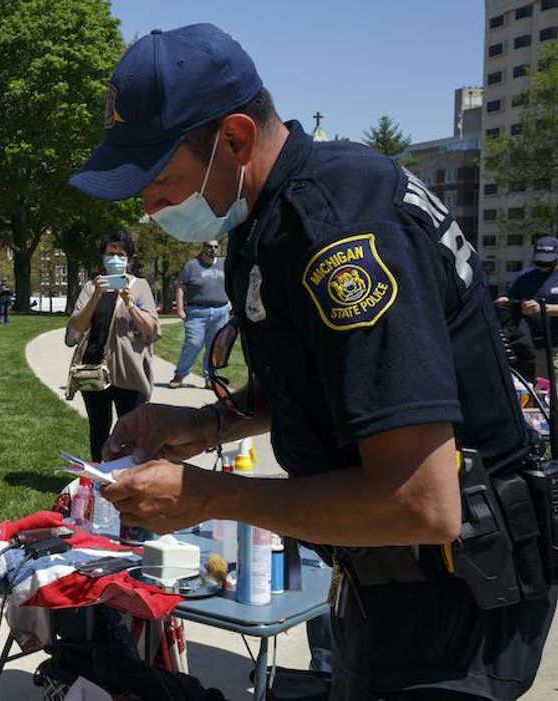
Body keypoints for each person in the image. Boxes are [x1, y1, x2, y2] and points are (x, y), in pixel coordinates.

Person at [71, 24, 555, 699]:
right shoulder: (266, 215)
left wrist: (208, 496)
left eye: (157, 180)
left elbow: (421, 502)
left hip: (453, 605)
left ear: (233, 140)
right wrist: (201, 424)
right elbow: (325, 382)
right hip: (382, 578)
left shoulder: (341, 232)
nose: (146, 208)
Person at [65, 231, 160, 461]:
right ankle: (99, 480)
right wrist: (96, 295)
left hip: (130, 372)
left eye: (121, 254)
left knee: (131, 432)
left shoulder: (140, 286)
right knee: (98, 428)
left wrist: (129, 303)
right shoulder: (91, 287)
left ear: (129, 258)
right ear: (103, 257)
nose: (115, 258)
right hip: (94, 369)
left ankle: (127, 478)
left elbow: (151, 328)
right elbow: (76, 325)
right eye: (111, 253)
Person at [496, 236, 558, 382]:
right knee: (540, 389)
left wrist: (544, 308)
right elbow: (510, 298)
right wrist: (505, 302)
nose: (543, 263)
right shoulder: (524, 277)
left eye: (547, 259)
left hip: (556, 345)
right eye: (540, 258)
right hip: (533, 345)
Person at [169, 240, 229, 389]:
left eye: (216, 246)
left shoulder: (224, 264)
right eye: (209, 246)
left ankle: (210, 378)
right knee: (193, 344)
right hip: (197, 312)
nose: (213, 249)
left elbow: (232, 282)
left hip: (220, 311)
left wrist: (230, 302)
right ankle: (179, 375)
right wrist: (180, 309)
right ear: (203, 248)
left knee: (215, 347)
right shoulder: (192, 265)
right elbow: (180, 287)